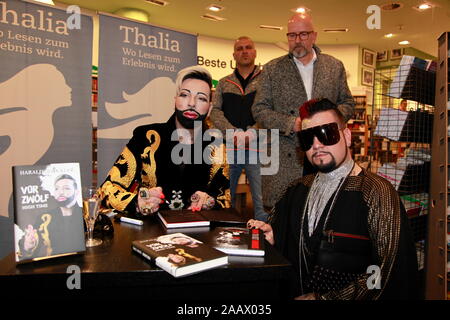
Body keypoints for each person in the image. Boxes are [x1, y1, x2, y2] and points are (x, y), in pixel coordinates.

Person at [247, 98, 419, 300]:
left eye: (326, 133)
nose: (317, 145)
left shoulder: (377, 192)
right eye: (307, 138)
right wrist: (273, 238)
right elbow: (284, 249)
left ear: (346, 136)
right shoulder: (296, 189)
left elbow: (389, 270)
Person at [252, 13, 355, 210]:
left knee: (326, 211)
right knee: (285, 215)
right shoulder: (273, 69)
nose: (297, 40)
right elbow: (259, 109)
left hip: (326, 150)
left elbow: (348, 103)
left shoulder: (334, 66)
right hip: (286, 155)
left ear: (314, 36)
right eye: (292, 35)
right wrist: (293, 124)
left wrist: (328, 122)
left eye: (303, 34)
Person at [99, 66, 230, 216]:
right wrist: (137, 202)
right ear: (175, 100)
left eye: (201, 98)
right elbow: (107, 189)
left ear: (210, 108)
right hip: (149, 231)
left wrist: (209, 201)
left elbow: (225, 198)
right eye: (185, 95)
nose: (192, 103)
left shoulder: (218, 147)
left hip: (199, 232)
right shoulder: (146, 137)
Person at [210, 36, 267, 222]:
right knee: (226, 195)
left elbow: (270, 111)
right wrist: (232, 132)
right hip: (229, 148)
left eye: (248, 47)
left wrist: (253, 131)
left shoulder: (266, 81)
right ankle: (225, 232)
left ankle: (264, 237)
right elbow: (215, 111)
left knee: (261, 198)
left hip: (258, 148)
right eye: (240, 48)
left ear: (255, 52)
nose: (244, 51)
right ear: (234, 54)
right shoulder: (224, 82)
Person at [20, 174, 84, 259]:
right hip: (54, 265)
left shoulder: (86, 214)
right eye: (57, 188)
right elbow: (32, 252)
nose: (60, 192)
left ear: (77, 192)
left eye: (66, 188)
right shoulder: (44, 218)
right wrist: (28, 246)